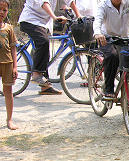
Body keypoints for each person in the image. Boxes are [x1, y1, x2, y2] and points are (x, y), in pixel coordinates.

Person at [18, 0, 82, 95]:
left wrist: (79, 15)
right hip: (30, 20)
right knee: (43, 41)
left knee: (44, 50)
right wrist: (54, 17)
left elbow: (69, 1)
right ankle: (36, 74)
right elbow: (44, 3)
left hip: (43, 23)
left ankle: (45, 87)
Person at [0, 0, 17, 130]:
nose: (1, 12)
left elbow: (13, 49)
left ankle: (9, 119)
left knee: (8, 91)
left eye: (4, 10)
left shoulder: (9, 28)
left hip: (8, 63)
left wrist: (15, 67)